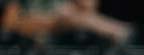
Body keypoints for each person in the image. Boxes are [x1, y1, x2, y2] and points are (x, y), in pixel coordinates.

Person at [0, 0, 130, 42]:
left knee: (74, 14)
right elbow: (8, 23)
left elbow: (89, 8)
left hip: (71, 31)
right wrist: (51, 24)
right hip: (33, 37)